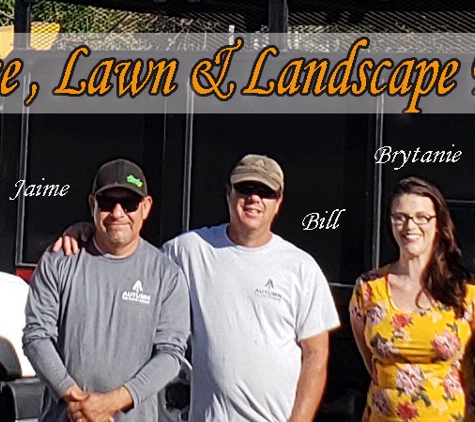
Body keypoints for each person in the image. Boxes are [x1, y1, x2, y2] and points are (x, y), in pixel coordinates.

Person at [53, 154, 340, 422]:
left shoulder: (301, 268)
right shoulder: (189, 251)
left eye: (265, 192)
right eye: (245, 188)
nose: (253, 198)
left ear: (278, 202)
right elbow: (129, 254)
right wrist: (86, 232)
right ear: (229, 193)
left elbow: (315, 355)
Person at [23, 159, 190, 422]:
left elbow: (170, 354)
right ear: (92, 205)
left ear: (146, 208)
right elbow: (36, 337)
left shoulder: (167, 275)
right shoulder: (59, 260)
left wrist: (111, 403)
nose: (118, 213)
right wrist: (76, 400)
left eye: (129, 204)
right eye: (108, 202)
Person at [349, 176, 475, 422]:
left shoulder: (465, 293)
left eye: (422, 217)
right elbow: (371, 363)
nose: (410, 226)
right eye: (400, 217)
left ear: (438, 223)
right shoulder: (368, 289)